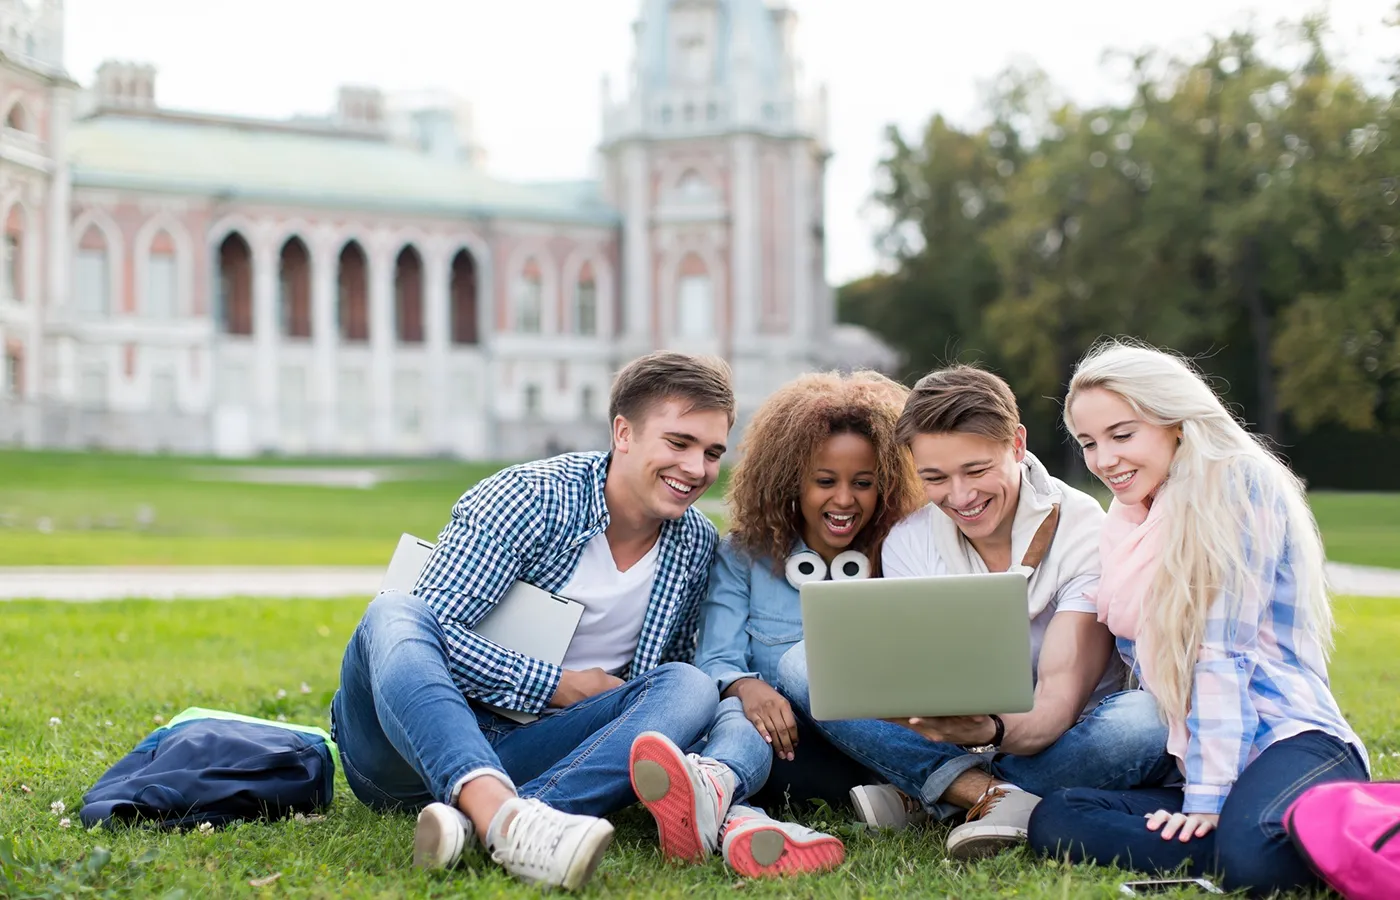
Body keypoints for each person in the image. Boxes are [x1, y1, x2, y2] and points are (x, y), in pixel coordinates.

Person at [329, 352, 734, 892]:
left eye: (712, 453)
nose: (696, 469)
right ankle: (502, 812)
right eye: (678, 443)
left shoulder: (695, 543)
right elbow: (434, 631)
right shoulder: (530, 498)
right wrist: (560, 686)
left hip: (536, 750)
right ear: (624, 433)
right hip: (405, 745)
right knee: (396, 611)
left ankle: (506, 821)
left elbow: (665, 679)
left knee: (691, 685)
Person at [777, 364, 1174, 860]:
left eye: (977, 470)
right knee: (801, 662)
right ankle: (983, 796)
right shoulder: (911, 541)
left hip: (1065, 739)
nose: (960, 497)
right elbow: (912, 682)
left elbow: (1056, 705)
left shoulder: (1084, 533)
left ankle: (929, 795)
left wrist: (989, 730)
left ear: (1017, 444)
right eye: (936, 478)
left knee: (1146, 721)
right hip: (953, 738)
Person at [1027, 341, 1370, 896]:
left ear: (1176, 423)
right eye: (1089, 443)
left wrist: (1209, 797)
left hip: (1284, 737)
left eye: (1122, 434)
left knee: (1256, 870)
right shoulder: (1130, 516)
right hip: (1193, 755)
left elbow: (1220, 653)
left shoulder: (1236, 483)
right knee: (1057, 818)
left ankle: (1259, 831)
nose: (1104, 459)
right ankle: (1256, 833)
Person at [625, 371, 925, 877]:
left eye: (864, 483)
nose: (845, 500)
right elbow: (715, 658)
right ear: (793, 480)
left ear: (887, 483)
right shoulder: (743, 556)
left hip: (867, 752)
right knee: (736, 715)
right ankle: (736, 814)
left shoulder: (905, 556)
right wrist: (746, 686)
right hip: (773, 749)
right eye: (825, 481)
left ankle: (725, 807)